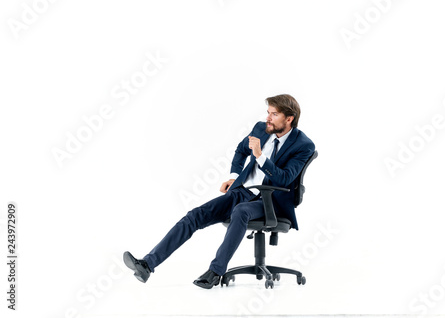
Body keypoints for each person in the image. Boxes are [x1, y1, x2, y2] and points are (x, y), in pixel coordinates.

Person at [123, 94, 315, 289]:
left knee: (241, 211)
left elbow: (284, 178)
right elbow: (241, 151)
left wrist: (259, 155)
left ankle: (215, 272)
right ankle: (147, 264)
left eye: (274, 114)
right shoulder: (261, 129)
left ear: (289, 119)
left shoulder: (303, 145)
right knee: (195, 215)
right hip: (242, 192)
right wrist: (234, 176)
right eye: (268, 113)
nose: (268, 118)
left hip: (270, 202)